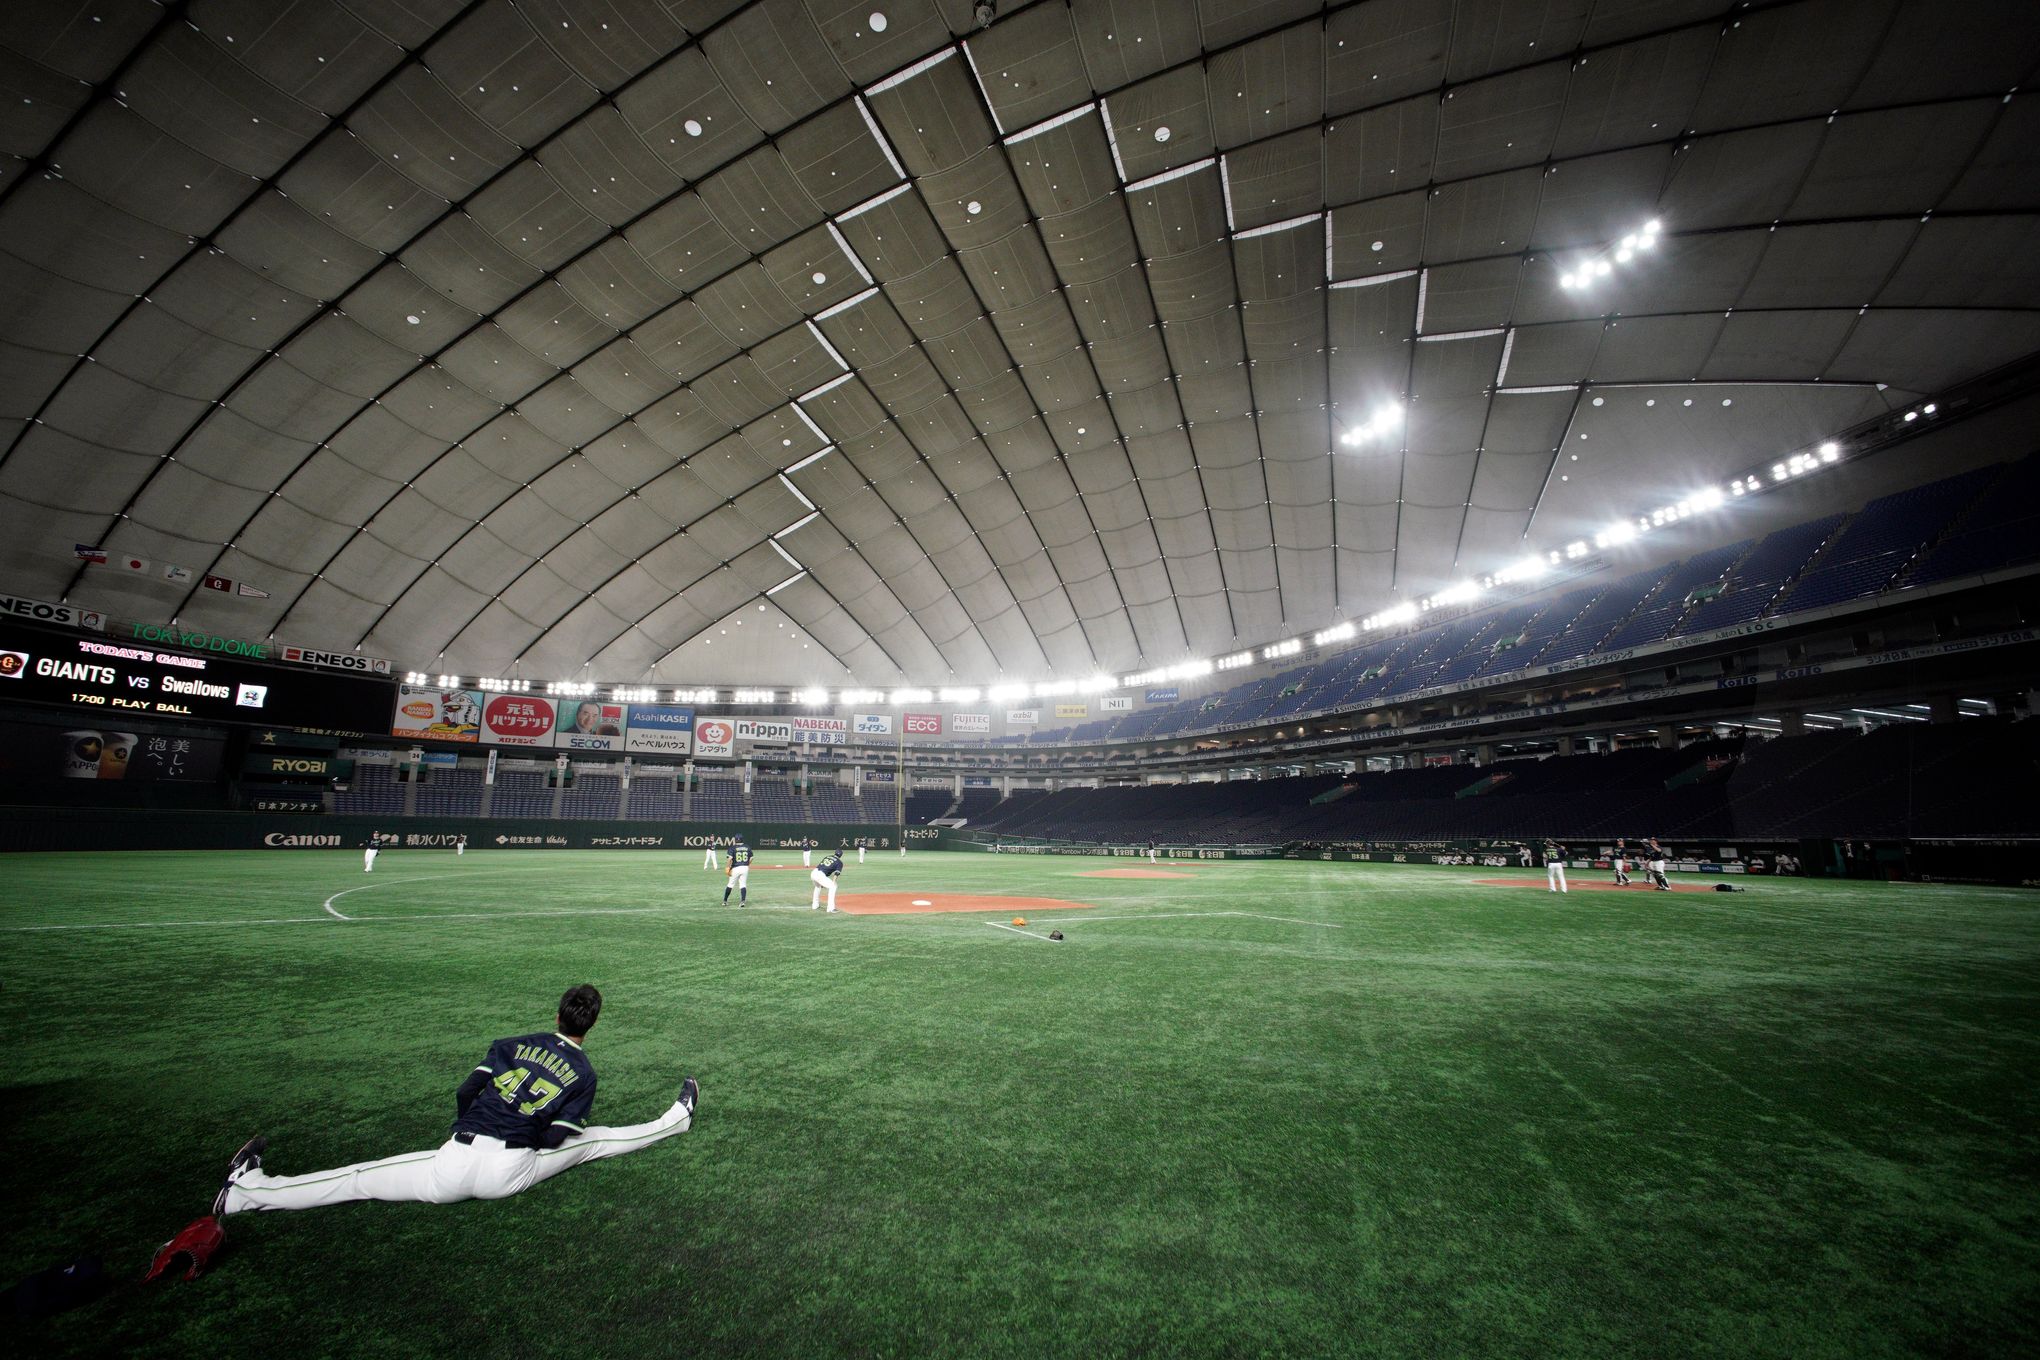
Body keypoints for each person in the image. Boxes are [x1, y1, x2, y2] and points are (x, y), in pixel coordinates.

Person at [208, 986, 697, 1217]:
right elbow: (558, 1135)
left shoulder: (510, 1043)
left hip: (454, 1162)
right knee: (595, 1141)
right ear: (592, 1025)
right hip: (514, 1171)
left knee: (357, 1180)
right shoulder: (585, 1073)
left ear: (556, 1014)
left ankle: (244, 1194)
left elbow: (466, 1091)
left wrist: (474, 1124)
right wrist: (528, 1138)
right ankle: (677, 1119)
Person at [811, 844, 846, 912]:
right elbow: (837, 873)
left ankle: (815, 905)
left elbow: (823, 867)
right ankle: (831, 908)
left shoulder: (828, 856)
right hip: (820, 875)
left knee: (817, 887)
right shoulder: (839, 862)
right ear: (841, 855)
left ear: (835, 853)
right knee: (833, 887)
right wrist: (834, 881)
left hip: (814, 872)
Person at [723, 836, 752, 907]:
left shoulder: (732, 848)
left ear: (735, 840)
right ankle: (742, 901)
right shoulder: (747, 847)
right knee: (743, 884)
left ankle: (725, 901)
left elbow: (730, 859)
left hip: (735, 868)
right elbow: (751, 858)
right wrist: (747, 864)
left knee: (730, 884)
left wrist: (727, 867)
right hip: (745, 867)